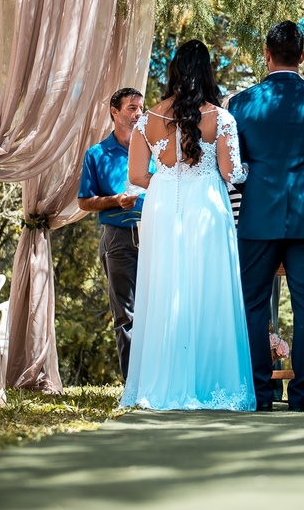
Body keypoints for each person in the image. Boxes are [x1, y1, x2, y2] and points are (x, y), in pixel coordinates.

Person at [121, 40, 253, 411]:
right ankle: (211, 382)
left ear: (174, 71)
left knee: (164, 288)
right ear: (208, 72)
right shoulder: (222, 119)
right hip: (208, 209)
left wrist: (166, 181)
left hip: (163, 209)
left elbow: (135, 175)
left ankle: (161, 381)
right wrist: (248, 170)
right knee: (208, 289)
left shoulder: (146, 119)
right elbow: (232, 173)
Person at [229, 21, 304, 412]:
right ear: (303, 56)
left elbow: (236, 166)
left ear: (266, 54)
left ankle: (259, 395)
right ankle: (303, 396)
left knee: (252, 303)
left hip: (258, 214)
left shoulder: (241, 104)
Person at [78, 87, 147, 380]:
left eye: (141, 108)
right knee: (126, 313)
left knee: (157, 306)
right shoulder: (96, 154)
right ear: (114, 112)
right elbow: (84, 201)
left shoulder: (153, 147)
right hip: (118, 237)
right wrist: (114, 200)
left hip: (154, 234)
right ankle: (132, 384)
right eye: (132, 108)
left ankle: (159, 380)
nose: (138, 114)